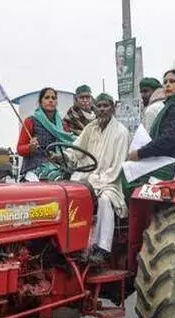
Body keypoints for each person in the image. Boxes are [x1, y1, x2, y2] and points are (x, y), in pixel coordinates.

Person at [63, 93, 130, 263]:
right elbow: (76, 148)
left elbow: (117, 167)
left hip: (110, 182)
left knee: (105, 199)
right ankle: (73, 244)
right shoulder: (90, 128)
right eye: (99, 106)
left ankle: (102, 248)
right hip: (88, 177)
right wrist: (65, 156)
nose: (101, 110)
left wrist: (95, 183)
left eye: (105, 106)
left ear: (113, 107)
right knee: (68, 194)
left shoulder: (121, 132)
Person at [123, 70, 175, 198]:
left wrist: (139, 153)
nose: (167, 85)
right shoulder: (169, 106)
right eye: (165, 82)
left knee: (126, 172)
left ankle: (132, 215)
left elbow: (168, 140)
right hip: (165, 159)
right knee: (130, 169)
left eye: (172, 81)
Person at [17, 87, 76, 180]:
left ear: (56, 102)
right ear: (41, 102)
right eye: (47, 97)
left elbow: (70, 142)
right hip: (35, 167)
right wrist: (30, 147)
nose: (50, 100)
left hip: (59, 165)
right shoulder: (30, 121)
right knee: (57, 179)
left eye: (53, 98)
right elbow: (20, 149)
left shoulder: (62, 125)